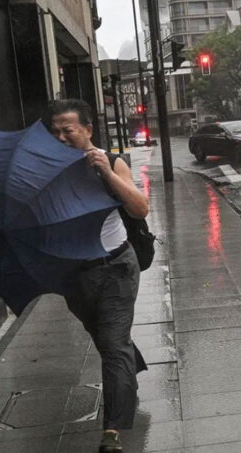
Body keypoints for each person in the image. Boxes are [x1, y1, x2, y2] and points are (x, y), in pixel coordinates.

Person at [46, 99, 149, 453]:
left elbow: (139, 207)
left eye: (68, 130)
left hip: (115, 268)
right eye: (54, 132)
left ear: (88, 130)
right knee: (107, 339)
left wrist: (105, 171)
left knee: (111, 345)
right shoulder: (49, 171)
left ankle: (113, 432)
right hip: (73, 274)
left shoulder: (112, 161)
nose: (60, 138)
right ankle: (129, 371)